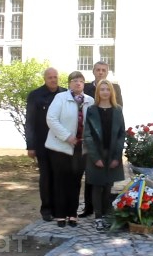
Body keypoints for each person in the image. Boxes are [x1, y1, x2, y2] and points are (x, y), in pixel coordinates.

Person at [45, 71, 94, 228]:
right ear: (69, 84)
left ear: (84, 84)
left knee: (75, 181)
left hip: (81, 149)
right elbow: (51, 119)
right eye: (74, 80)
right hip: (61, 147)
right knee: (60, 181)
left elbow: (93, 123)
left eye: (81, 80)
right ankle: (60, 215)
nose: (78, 83)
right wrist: (67, 136)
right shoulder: (60, 98)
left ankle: (72, 214)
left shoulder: (90, 101)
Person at [79, 61, 123, 218]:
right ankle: (94, 212)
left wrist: (117, 156)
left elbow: (120, 133)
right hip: (95, 151)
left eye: (103, 70)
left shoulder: (117, 109)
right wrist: (94, 155)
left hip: (111, 150)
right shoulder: (91, 108)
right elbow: (88, 134)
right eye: (98, 70)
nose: (105, 92)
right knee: (94, 183)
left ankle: (105, 213)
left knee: (107, 185)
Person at [25, 67, 66, 222]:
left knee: (60, 177)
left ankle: (58, 208)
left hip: (61, 144)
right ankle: (46, 209)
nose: (53, 80)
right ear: (45, 78)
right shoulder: (35, 95)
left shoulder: (65, 94)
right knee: (46, 177)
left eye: (55, 77)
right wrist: (30, 146)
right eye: (50, 77)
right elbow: (30, 122)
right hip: (43, 144)